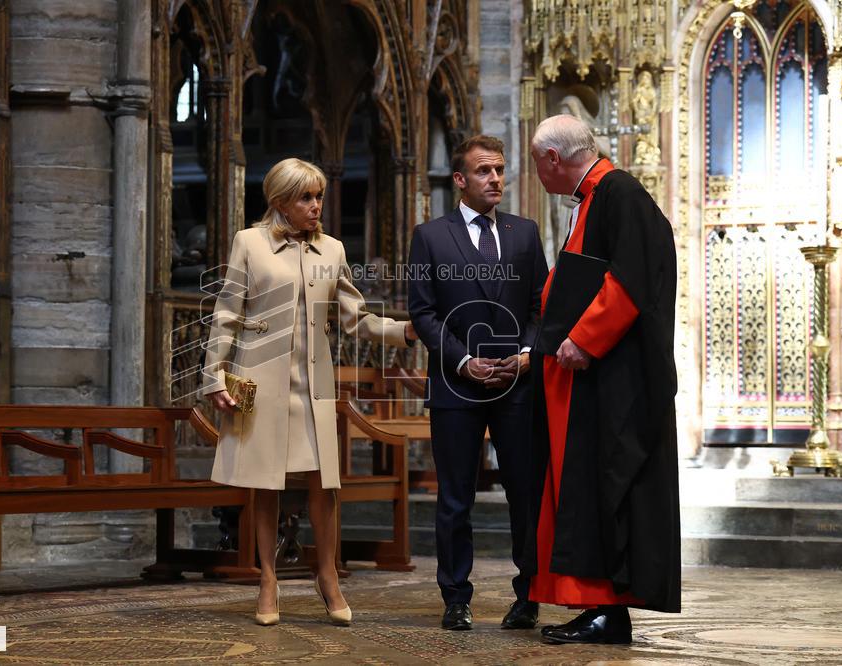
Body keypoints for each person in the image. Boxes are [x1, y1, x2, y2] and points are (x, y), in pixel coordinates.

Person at [201, 157, 417, 627]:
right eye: (306, 197)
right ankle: (268, 579)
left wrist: (406, 331)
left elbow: (356, 317)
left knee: (325, 483)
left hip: (315, 384)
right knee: (265, 483)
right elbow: (225, 314)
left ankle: (327, 576)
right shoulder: (249, 243)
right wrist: (213, 375)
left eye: (319, 196)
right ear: (281, 201)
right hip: (261, 379)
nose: (317, 205)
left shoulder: (333, 250)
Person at [524, 114, 680, 644]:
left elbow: (631, 281)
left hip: (608, 380)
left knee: (602, 489)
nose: (535, 173)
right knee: (585, 491)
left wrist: (584, 337)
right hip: (585, 379)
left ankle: (606, 610)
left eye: (535, 161)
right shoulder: (595, 198)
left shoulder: (619, 194)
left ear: (552, 159)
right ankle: (596, 607)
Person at [408, 135, 548, 631]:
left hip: (518, 385)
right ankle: (455, 597)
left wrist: (528, 356)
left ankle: (529, 595)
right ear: (461, 180)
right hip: (456, 384)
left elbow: (539, 306)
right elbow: (422, 313)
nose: (495, 179)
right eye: (484, 171)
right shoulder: (430, 236)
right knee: (454, 497)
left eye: (500, 170)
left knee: (525, 493)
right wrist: (462, 360)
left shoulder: (525, 234)